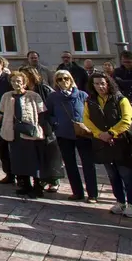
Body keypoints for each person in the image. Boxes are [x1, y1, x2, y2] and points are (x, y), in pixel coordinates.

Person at [84, 71, 132, 218]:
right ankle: (120, 202)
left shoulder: (120, 99)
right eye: (96, 84)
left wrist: (111, 133)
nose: (100, 86)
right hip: (102, 143)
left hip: (121, 142)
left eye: (102, 83)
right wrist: (99, 134)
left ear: (108, 83)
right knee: (112, 174)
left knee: (126, 174)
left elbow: (128, 119)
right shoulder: (90, 101)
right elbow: (87, 120)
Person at [48, 70, 98, 203]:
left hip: (82, 134)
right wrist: (56, 122)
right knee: (70, 164)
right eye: (59, 79)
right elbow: (49, 114)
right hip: (64, 134)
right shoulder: (53, 97)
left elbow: (92, 112)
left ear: (71, 79)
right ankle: (77, 192)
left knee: (88, 164)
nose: (63, 81)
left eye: (66, 78)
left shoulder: (82, 95)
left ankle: (92, 193)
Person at [0, 71, 46, 198]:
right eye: (13, 81)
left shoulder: (33, 95)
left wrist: (40, 129)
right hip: (13, 132)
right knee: (18, 160)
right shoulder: (6, 96)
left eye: (19, 81)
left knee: (33, 160)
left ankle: (37, 186)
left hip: (30, 132)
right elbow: (4, 112)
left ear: (24, 82)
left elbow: (42, 113)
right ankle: (25, 185)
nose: (16, 84)